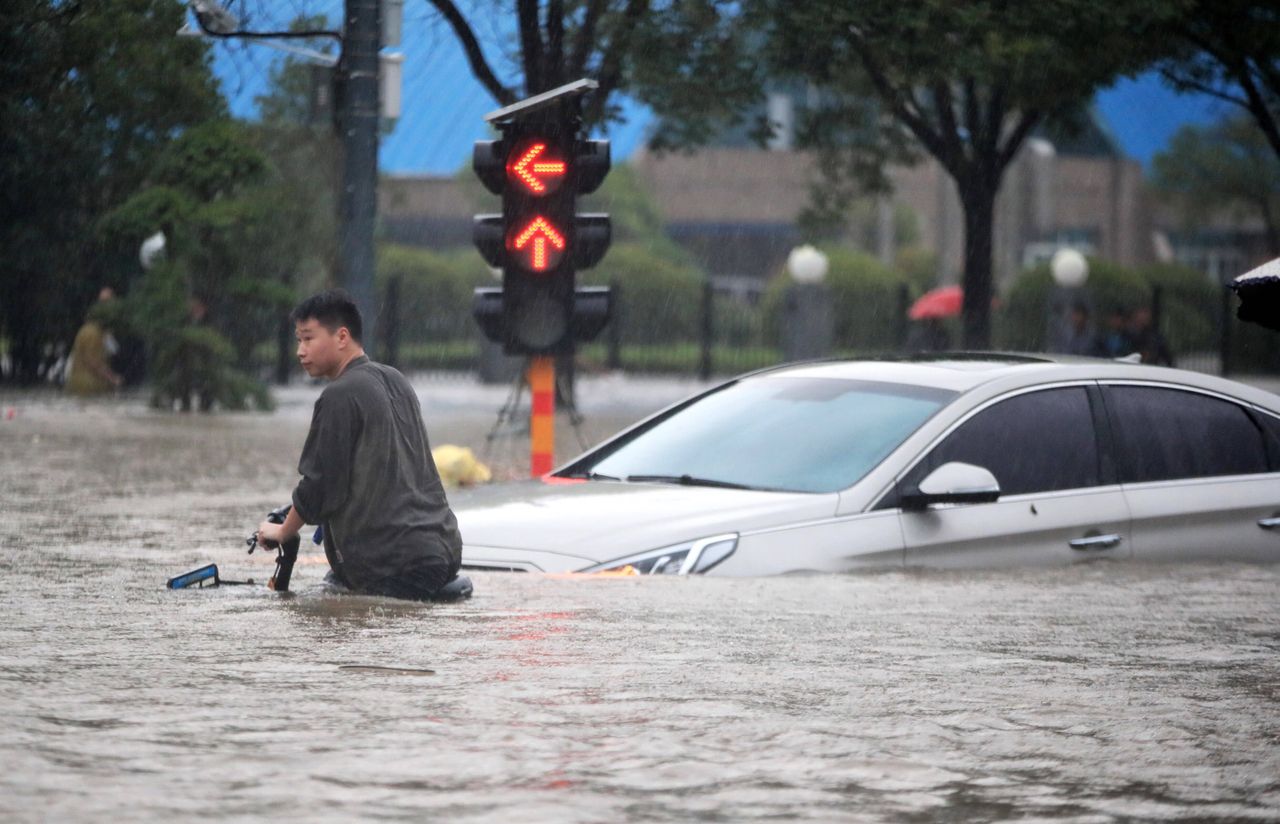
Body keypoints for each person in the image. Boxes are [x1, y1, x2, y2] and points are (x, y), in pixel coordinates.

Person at [254, 289, 464, 600]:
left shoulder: (339, 395)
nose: (300, 351)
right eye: (298, 340)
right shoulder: (397, 380)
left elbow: (320, 486)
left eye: (308, 339)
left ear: (341, 337)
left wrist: (283, 530)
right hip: (443, 552)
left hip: (392, 565)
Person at [65, 289, 122, 396]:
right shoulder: (92, 332)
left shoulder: (102, 332)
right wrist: (113, 378)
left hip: (92, 387)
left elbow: (111, 353)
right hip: (87, 388)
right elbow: (93, 362)